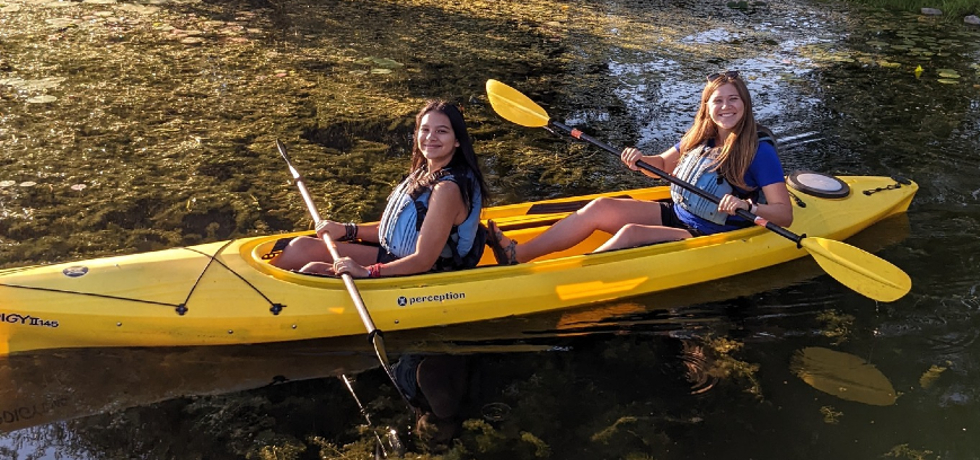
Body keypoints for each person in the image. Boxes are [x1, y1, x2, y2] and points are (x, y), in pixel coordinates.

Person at [488, 71, 793, 264]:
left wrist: (746, 205)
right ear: (707, 107)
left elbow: (784, 213)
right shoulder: (701, 136)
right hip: (678, 214)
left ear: (745, 104)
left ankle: (568, 275)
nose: (726, 106)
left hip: (707, 234)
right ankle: (520, 253)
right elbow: (660, 165)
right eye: (718, 101)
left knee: (630, 232)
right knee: (601, 207)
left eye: (733, 99)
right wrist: (639, 160)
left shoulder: (758, 152)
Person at [271, 100, 490, 277]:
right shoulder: (425, 172)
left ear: (457, 140)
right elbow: (395, 232)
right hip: (393, 254)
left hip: (418, 272)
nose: (430, 138)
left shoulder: (447, 190)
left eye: (441, 131)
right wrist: (348, 230)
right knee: (301, 248)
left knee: (311, 270)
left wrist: (367, 272)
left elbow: (423, 261)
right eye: (425, 130)